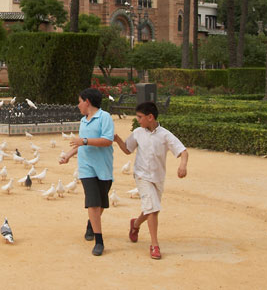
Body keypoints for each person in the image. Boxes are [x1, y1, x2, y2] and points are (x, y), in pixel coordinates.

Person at [113, 101, 189, 260]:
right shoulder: (137, 132)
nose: (137, 120)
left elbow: (183, 151)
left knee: (152, 209)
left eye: (140, 117)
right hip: (141, 175)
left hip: (158, 178)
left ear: (150, 117)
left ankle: (135, 224)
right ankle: (154, 245)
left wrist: (183, 165)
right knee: (153, 209)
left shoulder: (165, 135)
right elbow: (127, 149)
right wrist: (117, 138)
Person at [59, 88, 115, 256]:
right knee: (93, 202)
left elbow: (107, 140)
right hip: (86, 167)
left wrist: (84, 141)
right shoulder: (83, 121)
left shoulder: (105, 117)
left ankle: (92, 223)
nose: (78, 105)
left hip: (103, 167)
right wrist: (68, 155)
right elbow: (81, 144)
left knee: (101, 203)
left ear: (87, 102)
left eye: (79, 101)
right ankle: (99, 241)